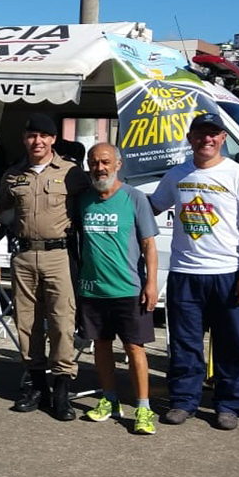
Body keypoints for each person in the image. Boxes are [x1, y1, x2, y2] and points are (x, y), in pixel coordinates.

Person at [150, 113, 239, 431]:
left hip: (228, 274)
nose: (207, 139)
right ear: (190, 138)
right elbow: (152, 207)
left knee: (230, 344)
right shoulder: (177, 174)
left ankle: (229, 405)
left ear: (223, 138)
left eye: (214, 134)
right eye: (201, 133)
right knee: (185, 343)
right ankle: (183, 401)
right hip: (185, 274)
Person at [0, 113, 90, 421]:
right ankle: (37, 387)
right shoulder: (13, 174)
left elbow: (89, 207)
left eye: (43, 136)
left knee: (62, 323)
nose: (37, 141)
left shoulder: (72, 173)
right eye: (31, 136)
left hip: (58, 255)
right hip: (23, 256)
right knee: (27, 324)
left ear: (52, 139)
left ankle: (61, 389)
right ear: (25, 139)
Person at [76, 143, 159, 434]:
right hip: (92, 289)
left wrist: (151, 283)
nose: (100, 168)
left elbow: (149, 244)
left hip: (128, 289)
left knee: (134, 347)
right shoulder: (83, 200)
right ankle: (109, 400)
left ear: (118, 164)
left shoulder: (135, 198)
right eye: (94, 163)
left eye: (105, 162)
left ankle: (143, 408)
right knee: (101, 345)